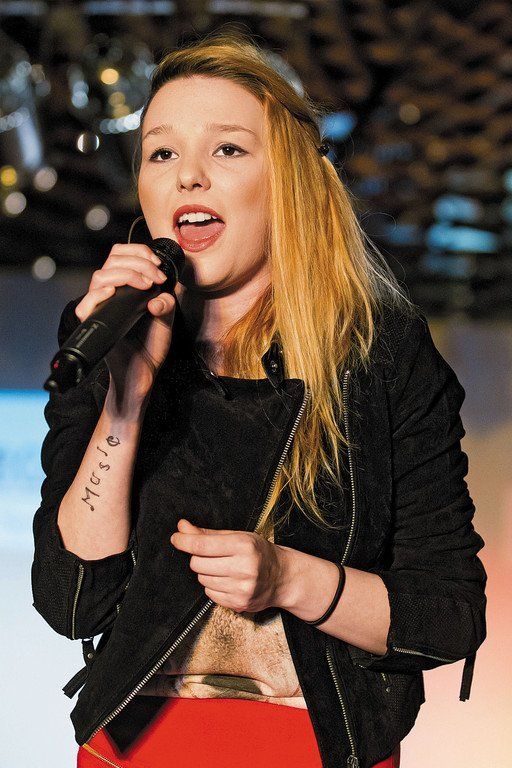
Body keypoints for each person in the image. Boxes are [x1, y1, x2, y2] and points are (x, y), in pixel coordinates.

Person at [31, 32, 487, 768]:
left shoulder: (379, 354)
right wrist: (124, 400)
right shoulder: (107, 332)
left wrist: (288, 578)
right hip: (132, 750)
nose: (188, 176)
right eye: (161, 152)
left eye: (228, 149)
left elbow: (448, 618)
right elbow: (73, 603)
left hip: (311, 745)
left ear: (287, 183)